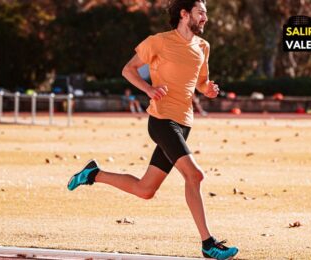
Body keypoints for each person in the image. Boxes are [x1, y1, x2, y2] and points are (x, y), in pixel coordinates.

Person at [67, 0, 239, 259]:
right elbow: (129, 69)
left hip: (184, 123)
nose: (205, 18)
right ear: (184, 14)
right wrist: (148, 89)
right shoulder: (158, 41)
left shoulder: (203, 47)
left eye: (206, 13)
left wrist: (209, 90)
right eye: (200, 12)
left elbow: (201, 83)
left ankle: (93, 174)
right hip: (161, 120)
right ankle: (208, 243)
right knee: (195, 176)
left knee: (145, 190)